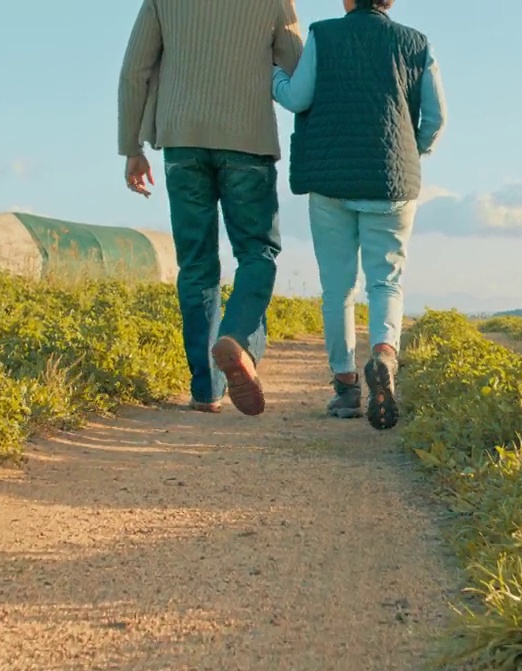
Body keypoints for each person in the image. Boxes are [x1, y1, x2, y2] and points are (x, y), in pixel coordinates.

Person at [117, 0, 304, 417]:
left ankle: (206, 391)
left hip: (182, 139)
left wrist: (131, 147)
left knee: (197, 263)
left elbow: (134, 72)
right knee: (257, 252)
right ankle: (238, 340)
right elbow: (296, 69)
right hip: (249, 139)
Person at [272, 0, 446, 431]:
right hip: (392, 181)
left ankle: (346, 387)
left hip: (331, 181)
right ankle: (384, 353)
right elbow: (437, 117)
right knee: (386, 280)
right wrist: (414, 150)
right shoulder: (416, 43)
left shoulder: (323, 34)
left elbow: (298, 97)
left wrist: (273, 75)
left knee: (338, 288)